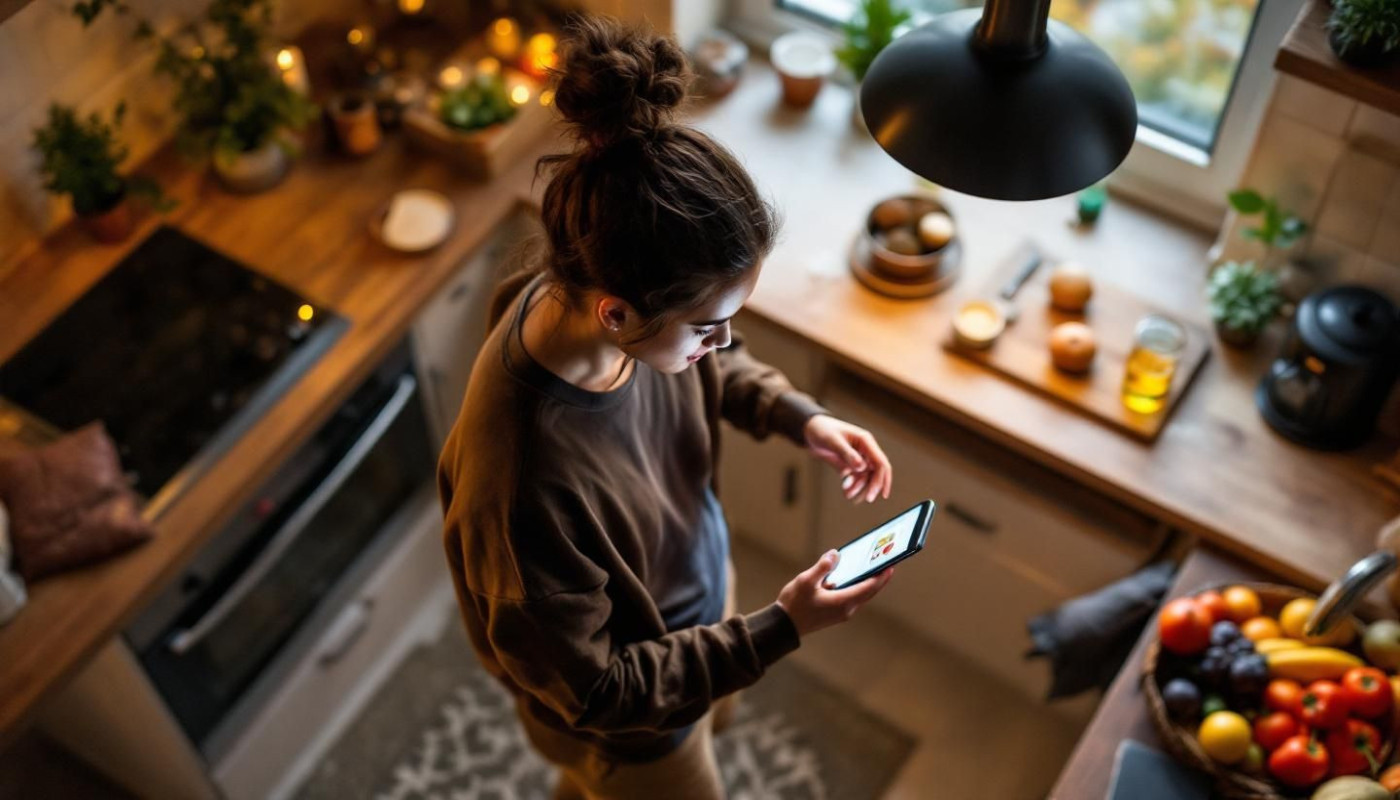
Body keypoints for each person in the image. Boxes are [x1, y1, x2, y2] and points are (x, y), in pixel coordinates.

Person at [437, 16, 896, 800]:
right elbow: (601, 693)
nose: (723, 342)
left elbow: (711, 362)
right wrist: (779, 629)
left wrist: (797, 416)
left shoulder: (594, 300)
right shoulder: (519, 488)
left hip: (694, 610)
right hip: (639, 727)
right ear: (618, 314)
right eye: (708, 327)